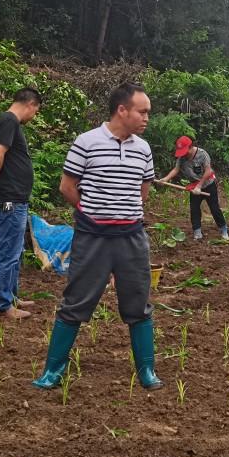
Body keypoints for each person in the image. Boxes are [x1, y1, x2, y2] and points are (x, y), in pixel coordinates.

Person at [33, 82, 163, 391]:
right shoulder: (86, 142)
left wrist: (121, 213)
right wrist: (91, 212)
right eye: (142, 112)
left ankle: (147, 370)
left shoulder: (143, 149)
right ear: (122, 110)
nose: (147, 118)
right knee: (75, 302)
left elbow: (142, 192)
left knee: (138, 304)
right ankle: (52, 371)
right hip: (92, 239)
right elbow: (67, 186)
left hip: (131, 239)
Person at [0, 87, 42, 320]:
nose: (33, 117)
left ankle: (11, 296)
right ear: (31, 105)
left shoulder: (5, 122)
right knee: (9, 250)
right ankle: (3, 305)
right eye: (36, 111)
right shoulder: (9, 121)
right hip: (9, 201)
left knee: (15, 249)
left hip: (14, 199)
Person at [161, 135, 229, 241]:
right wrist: (165, 179)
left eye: (185, 150)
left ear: (190, 147)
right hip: (193, 185)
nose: (183, 154)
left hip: (208, 184)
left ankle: (223, 229)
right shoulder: (182, 157)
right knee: (194, 209)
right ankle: (197, 232)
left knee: (214, 208)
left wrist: (199, 186)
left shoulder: (202, 154)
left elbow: (208, 171)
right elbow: (176, 169)